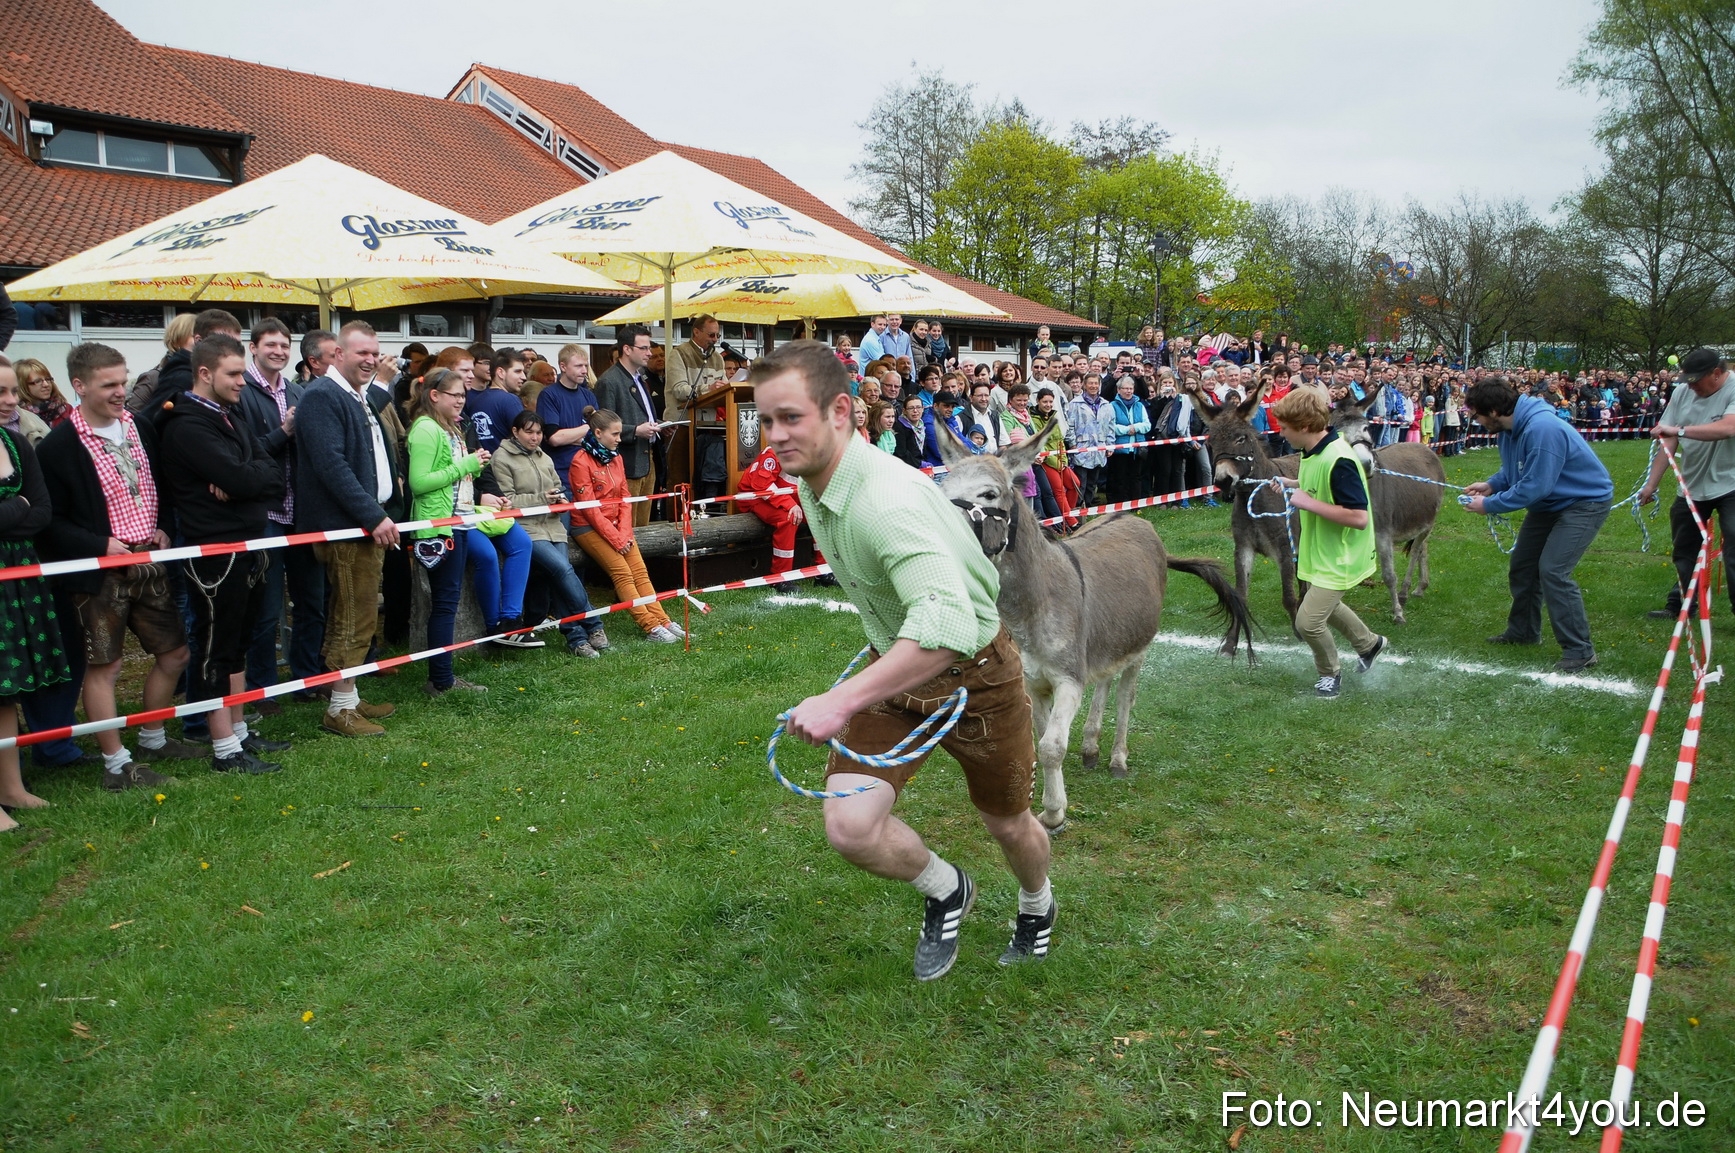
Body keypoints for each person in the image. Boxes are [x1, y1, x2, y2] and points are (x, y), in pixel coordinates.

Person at [754, 340, 1056, 980]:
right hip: (897, 666)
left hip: (978, 677)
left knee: (1007, 824)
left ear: (841, 411)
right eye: (765, 420)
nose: (774, 436)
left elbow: (947, 625)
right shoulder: (821, 476)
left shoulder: (882, 503)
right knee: (853, 827)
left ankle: (1036, 903)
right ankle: (949, 888)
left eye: (790, 418)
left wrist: (839, 700)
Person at [38, 343, 200, 790]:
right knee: (103, 667)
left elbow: (161, 484)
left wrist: (164, 526)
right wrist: (98, 544)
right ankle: (115, 763)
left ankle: (152, 737)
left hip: (149, 560)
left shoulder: (139, 424)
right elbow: (48, 520)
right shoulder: (59, 444)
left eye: (123, 380)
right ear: (79, 385)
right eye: (109, 384)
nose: (120, 391)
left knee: (175, 654)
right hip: (97, 572)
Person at [154, 334, 291, 773]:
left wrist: (243, 483)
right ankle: (224, 750)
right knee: (217, 648)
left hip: (246, 543)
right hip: (214, 552)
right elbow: (248, 478)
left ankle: (239, 732)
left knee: (241, 643)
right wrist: (244, 481)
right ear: (205, 373)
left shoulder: (229, 415)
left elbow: (269, 474)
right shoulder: (187, 425)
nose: (242, 382)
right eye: (234, 374)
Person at [294, 321, 402, 737]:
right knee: (352, 616)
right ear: (337, 354)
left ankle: (350, 697)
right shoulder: (323, 396)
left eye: (374, 353)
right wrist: (372, 515)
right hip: (345, 527)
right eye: (362, 353)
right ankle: (339, 709)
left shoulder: (355, 394)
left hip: (363, 522)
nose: (371, 360)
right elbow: (331, 466)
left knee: (360, 613)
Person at [1462, 375, 1613, 672]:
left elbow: (1535, 486)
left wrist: (1489, 505)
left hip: (1584, 503)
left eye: (1476, 414)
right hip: (1549, 504)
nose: (1475, 420)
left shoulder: (1541, 429)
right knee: (1524, 566)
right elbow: (1515, 470)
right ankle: (1523, 632)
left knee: (1554, 570)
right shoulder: (1509, 428)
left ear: (1492, 411)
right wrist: (1492, 485)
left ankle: (1580, 650)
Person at [407, 370, 539, 696]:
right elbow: (419, 482)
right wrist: (465, 466)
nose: (461, 401)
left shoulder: (450, 428)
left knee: (447, 604)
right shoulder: (426, 428)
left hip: (460, 522)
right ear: (434, 396)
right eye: (454, 395)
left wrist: (472, 469)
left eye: (463, 396)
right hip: (438, 527)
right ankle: (441, 680)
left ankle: (444, 678)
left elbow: (450, 477)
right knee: (445, 605)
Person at [1268, 388, 1386, 698]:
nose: (1280, 432)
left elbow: (1358, 517)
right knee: (1323, 607)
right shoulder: (1314, 450)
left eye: (1285, 427)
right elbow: (1316, 483)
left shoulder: (1339, 460)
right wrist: (1291, 484)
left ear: (1304, 427)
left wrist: (1306, 502)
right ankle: (1369, 644)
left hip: (1341, 555)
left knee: (1307, 622)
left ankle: (1329, 674)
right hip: (1322, 551)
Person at [235, 318, 326, 708]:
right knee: (266, 609)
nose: (279, 351)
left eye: (284, 345)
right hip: (265, 513)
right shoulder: (241, 391)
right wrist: (283, 433)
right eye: (270, 344)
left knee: (312, 602)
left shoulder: (296, 391)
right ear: (253, 347)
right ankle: (263, 689)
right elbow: (242, 454)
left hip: (301, 512)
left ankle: (306, 679)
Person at [0, 354, 71, 829]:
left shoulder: (15, 440)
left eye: (11, 393)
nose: (10, 402)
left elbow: (43, 511)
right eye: (1, 394)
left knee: (6, 689)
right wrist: (16, 507)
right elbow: (23, 510)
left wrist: (15, 507)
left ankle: (11, 787)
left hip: (20, 573)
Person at [493, 409, 609, 657]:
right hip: (526, 529)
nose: (535, 438)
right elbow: (506, 501)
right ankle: (593, 624)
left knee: (560, 576)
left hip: (554, 526)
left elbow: (559, 487)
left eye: (538, 433)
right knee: (563, 570)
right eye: (529, 432)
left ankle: (576, 639)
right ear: (515, 432)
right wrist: (541, 499)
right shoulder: (501, 458)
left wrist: (560, 499)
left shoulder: (544, 457)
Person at [567, 406, 683, 643]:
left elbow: (624, 497)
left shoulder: (616, 457)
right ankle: (650, 626)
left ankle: (663, 620)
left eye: (620, 434)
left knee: (640, 572)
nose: (620, 440)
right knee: (622, 573)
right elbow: (589, 509)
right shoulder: (580, 461)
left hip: (617, 526)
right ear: (598, 433)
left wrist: (625, 531)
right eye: (615, 434)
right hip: (587, 527)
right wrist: (617, 537)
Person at [1637, 348, 1735, 621]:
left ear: (1716, 374)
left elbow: (1729, 427)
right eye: (1687, 380)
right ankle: (1681, 604)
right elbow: (1668, 441)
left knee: (1734, 549)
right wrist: (1651, 484)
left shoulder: (1734, 388)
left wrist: (1679, 430)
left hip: (1732, 484)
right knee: (1684, 550)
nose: (1690, 386)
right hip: (1692, 486)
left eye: (1696, 380)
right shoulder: (1682, 393)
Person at [594, 326, 661, 528]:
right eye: (644, 348)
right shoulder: (609, 381)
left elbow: (643, 413)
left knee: (643, 525)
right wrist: (635, 431)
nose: (649, 353)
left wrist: (659, 426)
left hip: (647, 459)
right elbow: (603, 427)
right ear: (627, 349)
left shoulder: (639, 377)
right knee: (626, 526)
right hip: (626, 463)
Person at [127, 308, 240, 415]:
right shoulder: (168, 376)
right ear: (178, 338)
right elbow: (137, 417)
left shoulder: (201, 370)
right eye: (193, 336)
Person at [535, 343, 599, 483]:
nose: (584, 371)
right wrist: (587, 428)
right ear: (563, 367)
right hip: (562, 474)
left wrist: (569, 437)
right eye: (578, 366)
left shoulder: (588, 396)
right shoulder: (549, 395)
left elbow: (599, 436)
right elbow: (554, 438)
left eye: (586, 366)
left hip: (589, 471)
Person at [125, 312, 194, 414]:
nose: (202, 342)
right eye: (194, 337)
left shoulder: (205, 375)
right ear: (178, 339)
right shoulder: (152, 378)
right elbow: (133, 418)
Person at [464, 347, 528, 453]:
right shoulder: (510, 400)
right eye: (518, 371)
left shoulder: (476, 401)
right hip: (504, 466)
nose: (524, 377)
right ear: (500, 372)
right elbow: (526, 439)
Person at [1064, 372, 1111, 506]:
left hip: (1099, 448)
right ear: (1084, 385)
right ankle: (1078, 507)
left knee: (1092, 482)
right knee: (1081, 482)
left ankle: (1088, 506)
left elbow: (1110, 426)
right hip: (1081, 449)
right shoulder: (1075, 404)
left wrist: (1109, 444)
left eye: (1096, 383)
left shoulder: (1105, 404)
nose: (1093, 386)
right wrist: (1072, 444)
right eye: (1090, 383)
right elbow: (1069, 426)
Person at [1106, 375, 1149, 504]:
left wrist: (1135, 428)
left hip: (1136, 449)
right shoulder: (1111, 405)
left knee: (1135, 477)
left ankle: (1135, 504)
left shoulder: (1140, 405)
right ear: (1119, 390)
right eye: (1126, 388)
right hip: (1120, 449)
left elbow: (1147, 425)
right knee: (1120, 478)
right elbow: (1110, 426)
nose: (1129, 391)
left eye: (1131, 388)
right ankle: (1120, 504)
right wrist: (1126, 430)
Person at [15, 359, 70, 428]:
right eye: (38, 381)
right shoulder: (18, 416)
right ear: (23, 386)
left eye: (48, 379)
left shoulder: (67, 409)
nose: (46, 384)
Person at [921, 390, 964, 469]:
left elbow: (965, 442)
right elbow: (940, 452)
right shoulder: (929, 423)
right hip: (938, 469)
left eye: (952, 406)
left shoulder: (951, 420)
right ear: (935, 406)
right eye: (946, 406)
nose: (950, 409)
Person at [892, 394, 927, 469]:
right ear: (904, 411)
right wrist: (920, 464)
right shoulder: (899, 427)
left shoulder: (922, 425)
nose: (915, 411)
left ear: (923, 409)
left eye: (918, 407)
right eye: (911, 408)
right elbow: (901, 454)